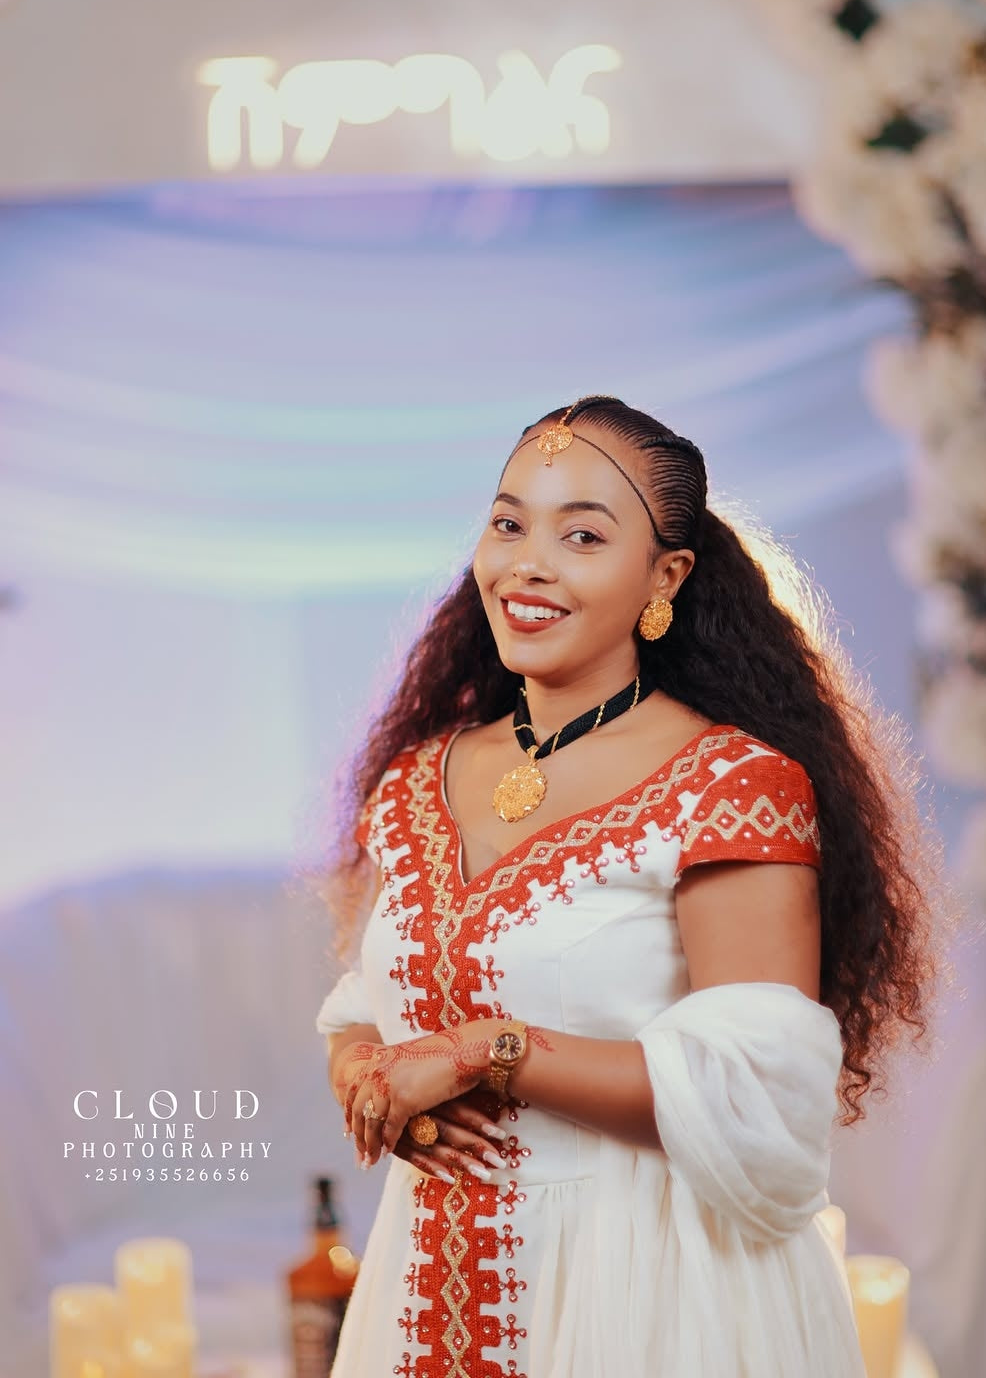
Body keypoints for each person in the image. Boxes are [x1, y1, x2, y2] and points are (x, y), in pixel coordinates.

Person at [316, 397, 939, 1377]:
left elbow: (760, 1099)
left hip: (650, 1296)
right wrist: (367, 1079)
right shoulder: (419, 778)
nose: (528, 561)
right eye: (509, 522)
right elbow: (365, 1006)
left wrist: (487, 1052)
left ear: (666, 577)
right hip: (425, 1288)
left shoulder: (732, 785)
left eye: (582, 535)